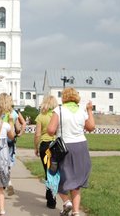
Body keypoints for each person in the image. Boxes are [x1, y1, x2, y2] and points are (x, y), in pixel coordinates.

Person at [47, 87, 95, 216]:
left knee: (56, 177)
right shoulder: (81, 110)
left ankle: (66, 201)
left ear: (64, 97)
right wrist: (90, 111)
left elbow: (51, 130)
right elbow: (91, 127)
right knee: (76, 182)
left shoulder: (59, 110)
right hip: (81, 146)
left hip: (64, 147)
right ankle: (76, 212)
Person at [0, 93, 26, 195]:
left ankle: (4, 182)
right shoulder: (14, 113)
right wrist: (20, 133)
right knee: (7, 162)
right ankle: (7, 181)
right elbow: (19, 127)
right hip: (10, 140)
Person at [34, 95, 59, 209]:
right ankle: (51, 195)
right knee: (54, 171)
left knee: (47, 170)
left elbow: (38, 134)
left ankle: (50, 198)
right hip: (55, 145)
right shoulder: (56, 116)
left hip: (44, 145)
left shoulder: (40, 116)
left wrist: (36, 146)